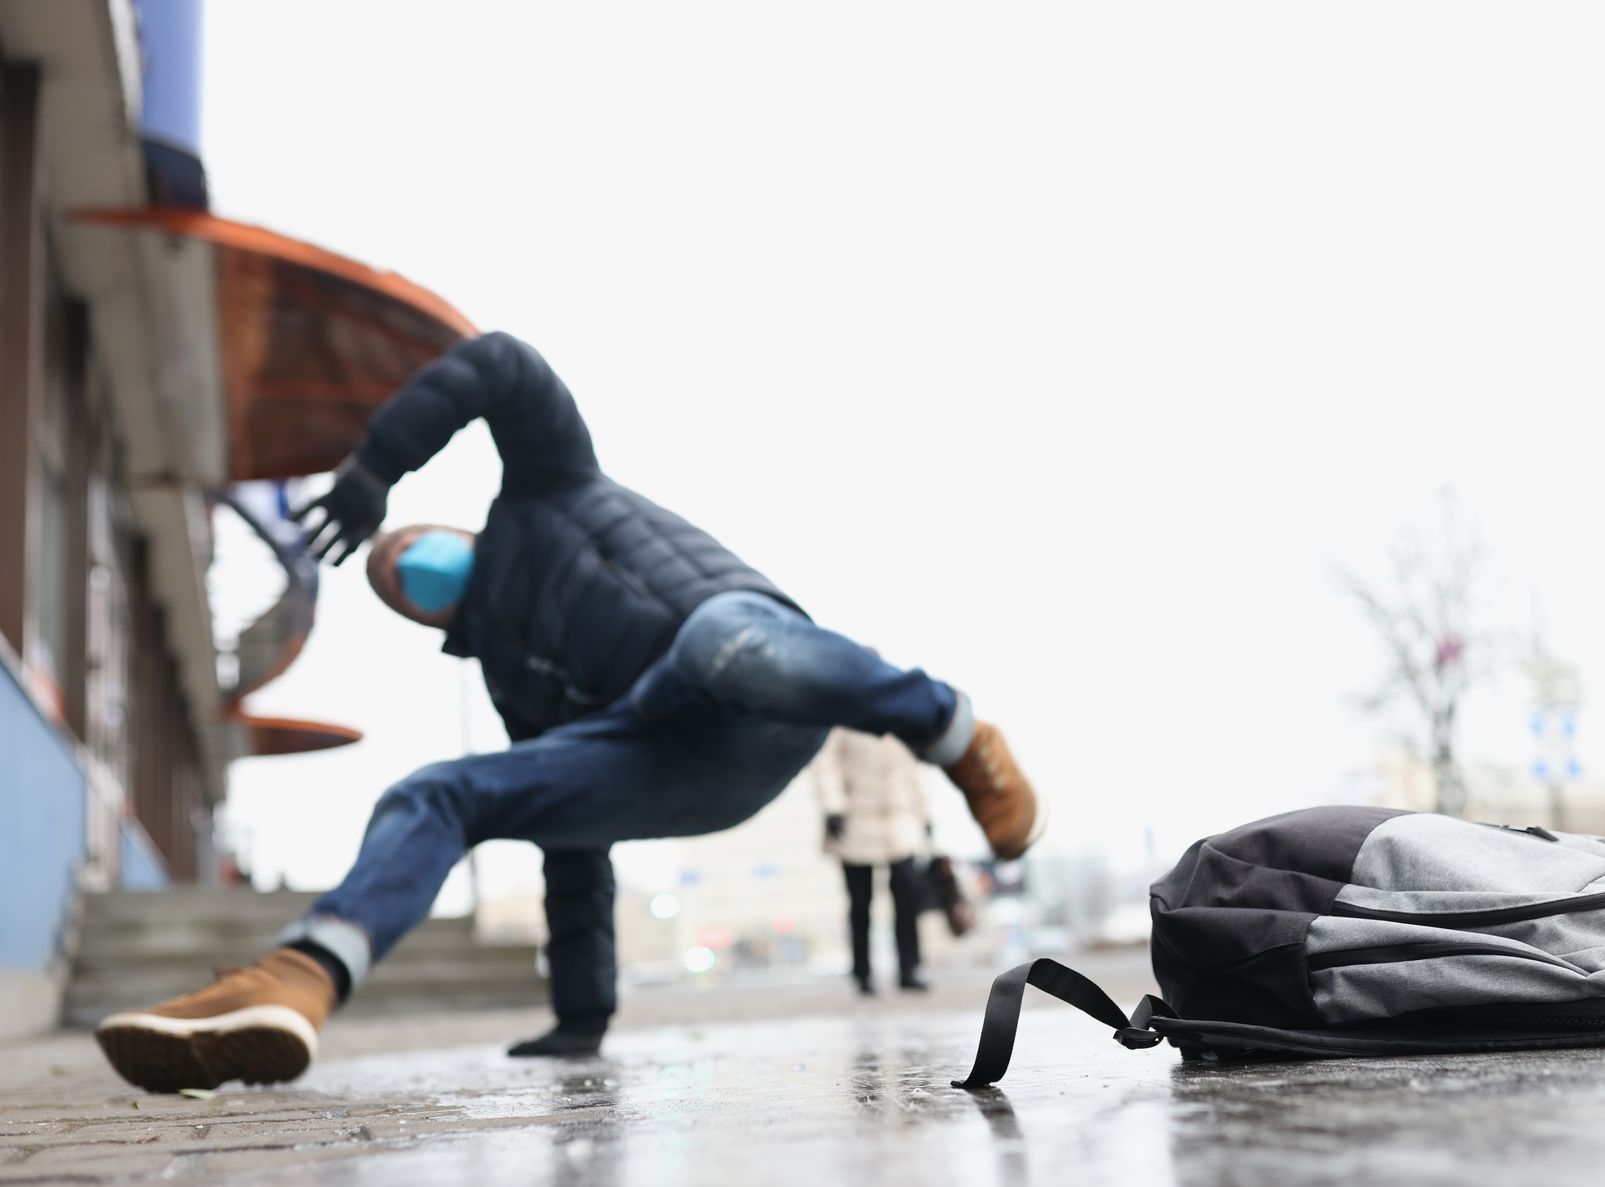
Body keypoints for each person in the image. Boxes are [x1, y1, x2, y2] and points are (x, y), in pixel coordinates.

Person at [92, 332, 1045, 1093]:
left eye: (406, 552)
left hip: (755, 674)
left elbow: (500, 364)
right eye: (392, 585)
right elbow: (573, 848)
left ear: (449, 527)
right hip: (678, 768)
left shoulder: (552, 484)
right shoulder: (514, 684)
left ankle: (955, 734)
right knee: (437, 792)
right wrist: (581, 1018)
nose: (402, 570)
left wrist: (377, 466)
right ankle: (299, 976)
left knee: (716, 645)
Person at [814, 726, 936, 995]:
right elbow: (827, 763)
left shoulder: (901, 720)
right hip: (855, 821)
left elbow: (915, 772)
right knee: (860, 903)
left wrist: (925, 814)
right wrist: (833, 806)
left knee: (907, 898)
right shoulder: (843, 721)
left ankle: (909, 969)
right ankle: (862, 973)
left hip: (899, 821)